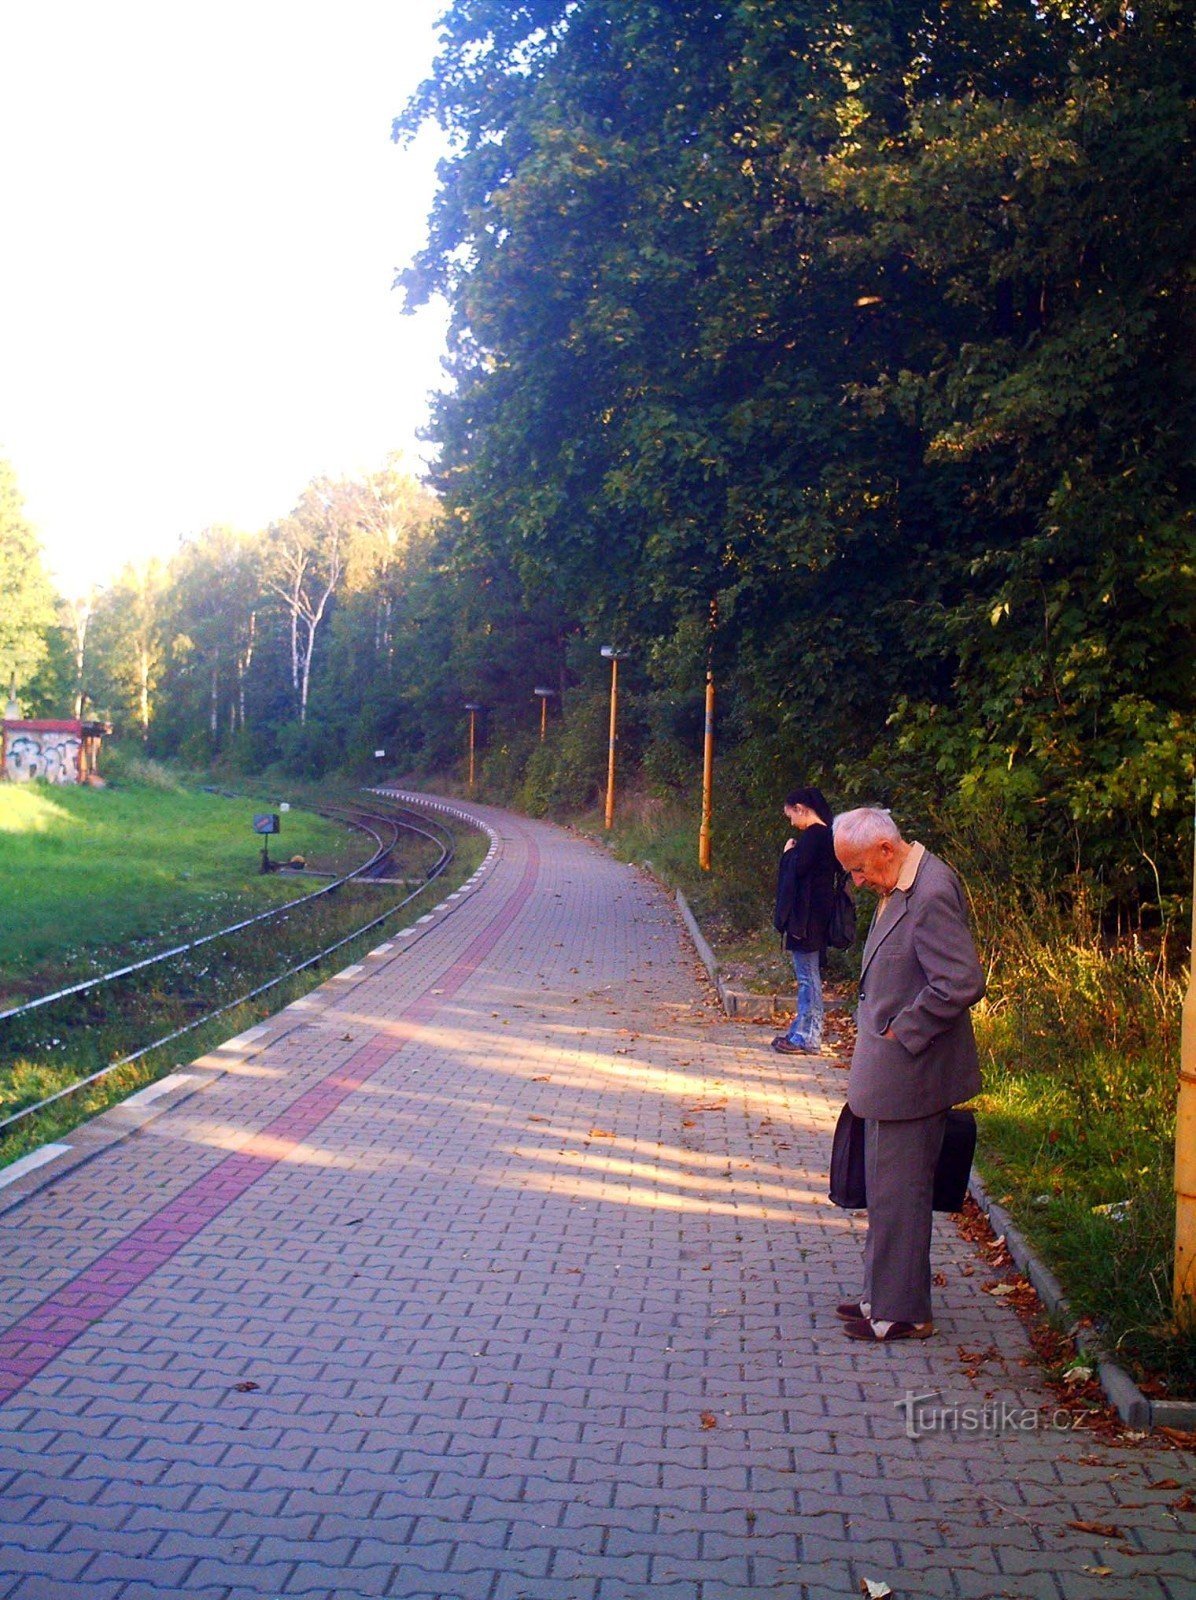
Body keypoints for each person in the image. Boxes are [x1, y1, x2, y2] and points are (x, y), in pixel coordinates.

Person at [831, 807, 985, 1342]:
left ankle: (903, 1313)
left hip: (914, 1074)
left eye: (858, 869)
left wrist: (905, 1030)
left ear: (885, 850)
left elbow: (962, 982)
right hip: (891, 1074)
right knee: (886, 1191)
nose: (857, 880)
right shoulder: (901, 883)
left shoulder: (931, 892)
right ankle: (882, 1297)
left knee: (902, 1195)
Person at [771, 786, 837, 1055]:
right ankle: (801, 1029)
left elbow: (797, 870)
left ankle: (808, 1037)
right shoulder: (826, 836)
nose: (791, 822)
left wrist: (788, 853)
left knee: (808, 978)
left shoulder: (814, 837)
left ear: (801, 808)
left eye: (791, 816)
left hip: (807, 920)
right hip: (814, 918)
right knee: (808, 976)